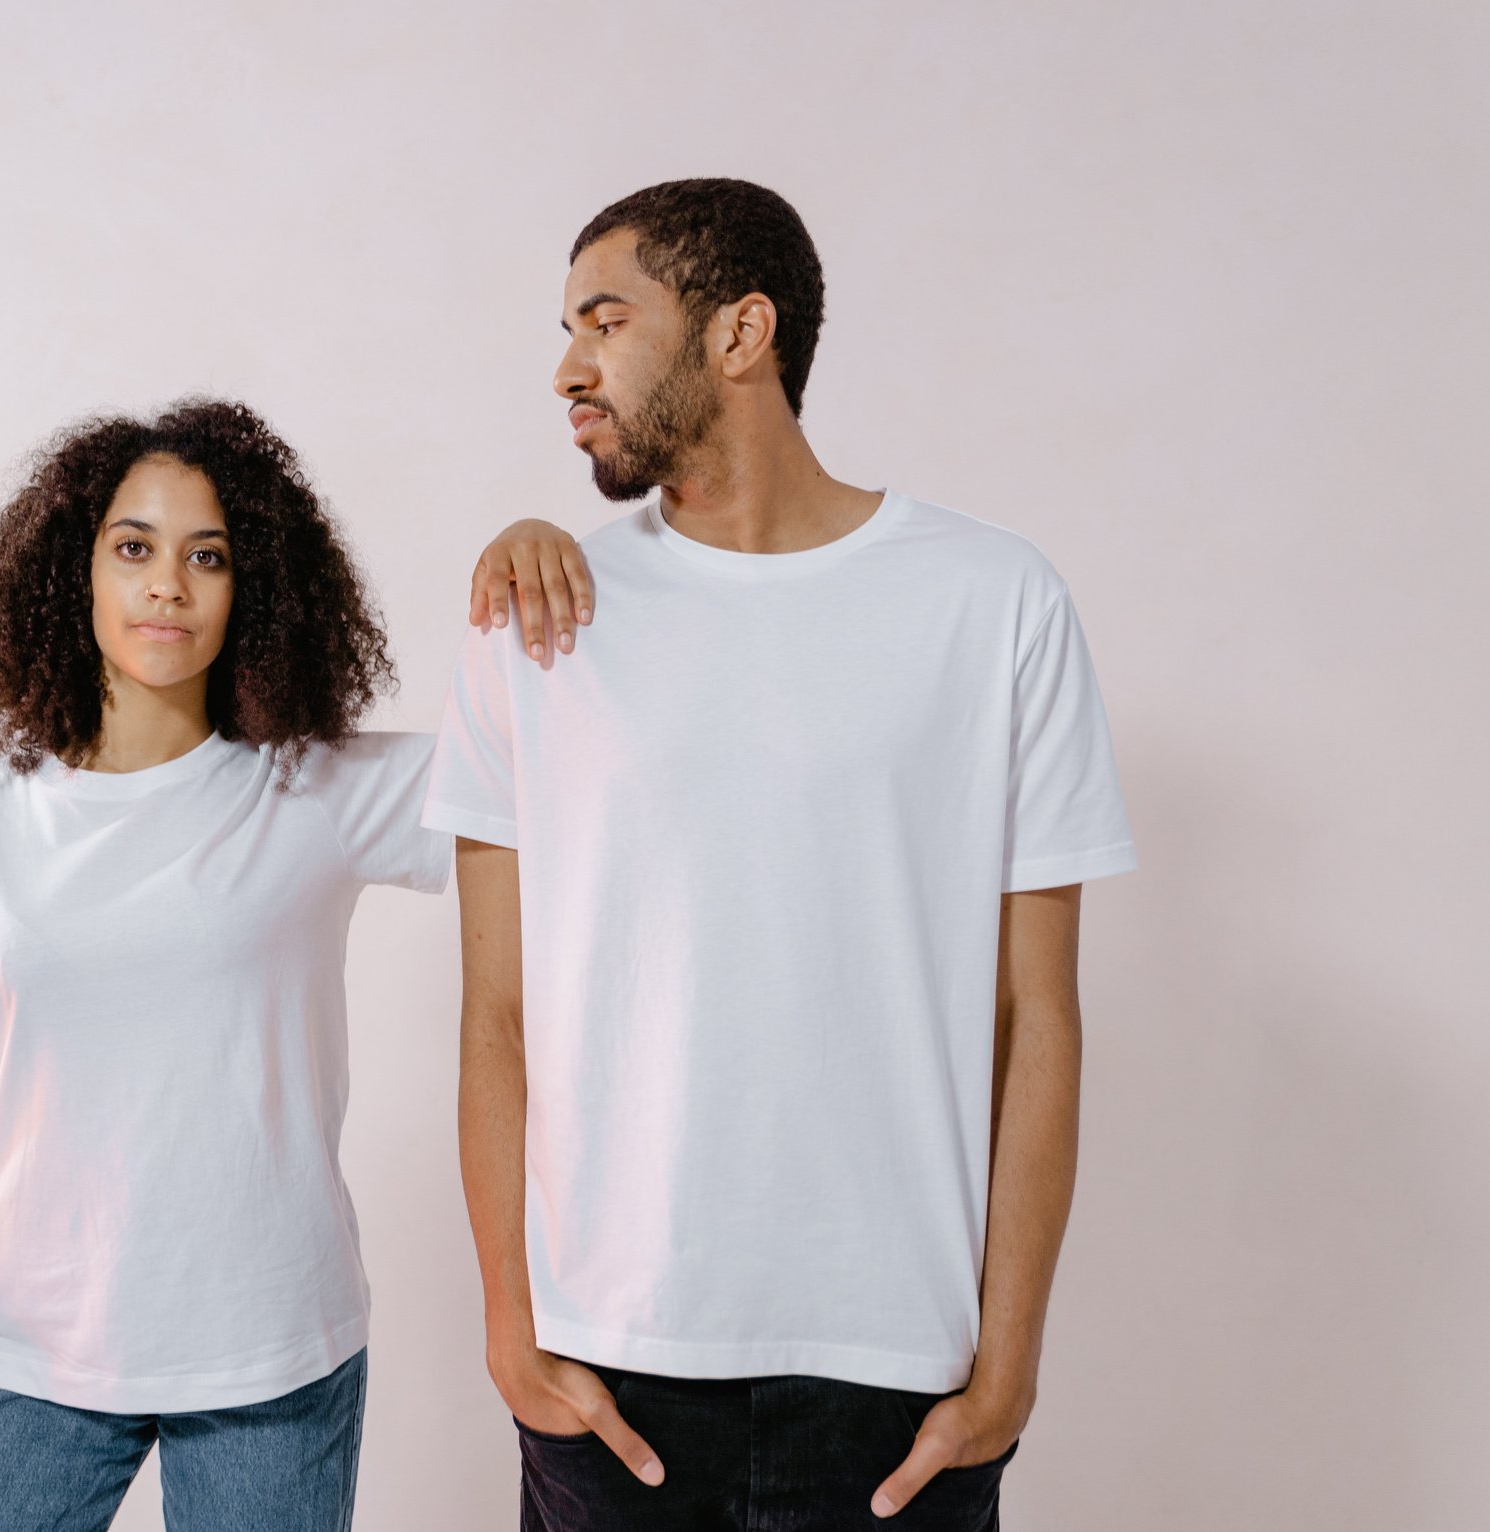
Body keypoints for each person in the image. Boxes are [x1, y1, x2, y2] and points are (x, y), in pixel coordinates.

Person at [426, 179, 1136, 1529]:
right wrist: (513, 1333)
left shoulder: (992, 603)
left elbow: (1034, 1011)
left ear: (740, 332)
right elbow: (497, 1014)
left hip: (896, 1381)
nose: (568, 368)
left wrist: (1009, 1362)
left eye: (606, 319)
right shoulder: (530, 618)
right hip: (609, 1371)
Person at [0, 398, 590, 1532]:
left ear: (255, 589)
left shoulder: (314, 791)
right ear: (70, 571)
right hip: (27, 1357)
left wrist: (541, 559)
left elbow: (570, 769)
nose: (167, 586)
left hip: (273, 1359)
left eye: (208, 556)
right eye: (132, 547)